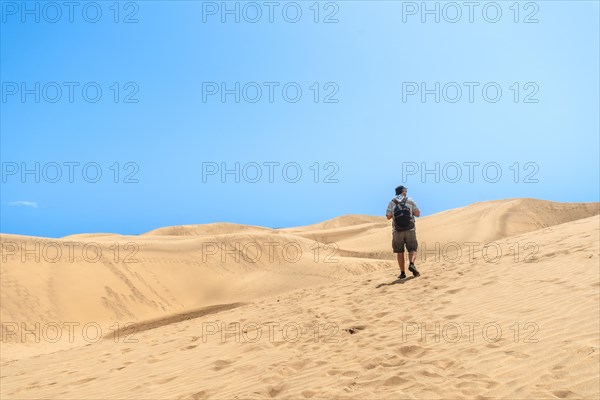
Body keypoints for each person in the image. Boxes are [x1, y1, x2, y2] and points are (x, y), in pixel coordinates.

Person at [386, 185, 421, 279]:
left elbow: (388, 216)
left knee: (400, 252)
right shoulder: (410, 200)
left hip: (397, 230)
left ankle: (402, 273)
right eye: (405, 190)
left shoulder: (391, 202)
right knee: (412, 249)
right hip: (410, 229)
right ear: (403, 191)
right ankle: (412, 264)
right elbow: (418, 214)